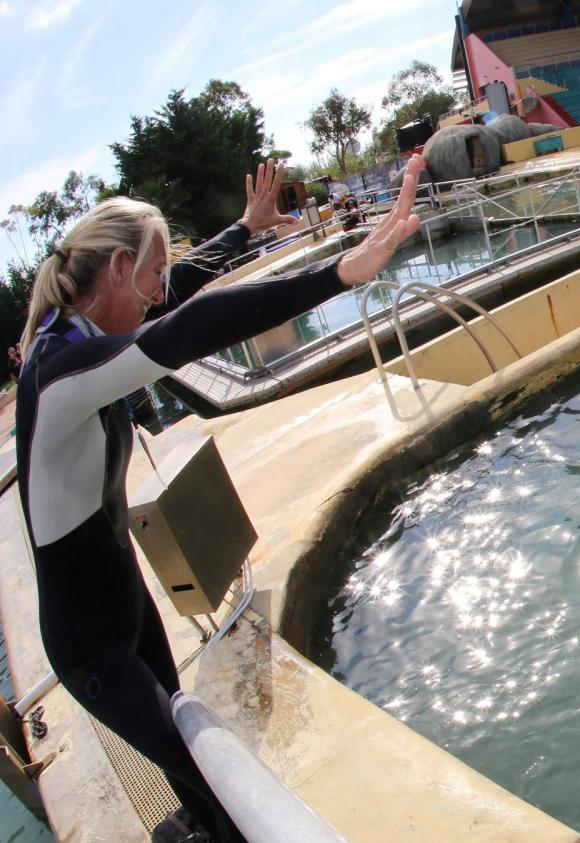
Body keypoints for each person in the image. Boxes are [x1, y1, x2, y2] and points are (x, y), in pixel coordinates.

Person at [14, 156, 425, 843]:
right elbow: (186, 324)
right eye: (146, 276)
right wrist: (338, 274)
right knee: (220, 787)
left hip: (127, 601)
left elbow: (177, 288)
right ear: (114, 268)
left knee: (187, 750)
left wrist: (245, 229)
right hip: (90, 645)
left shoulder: (80, 335)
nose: (154, 293)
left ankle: (190, 828)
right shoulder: (60, 372)